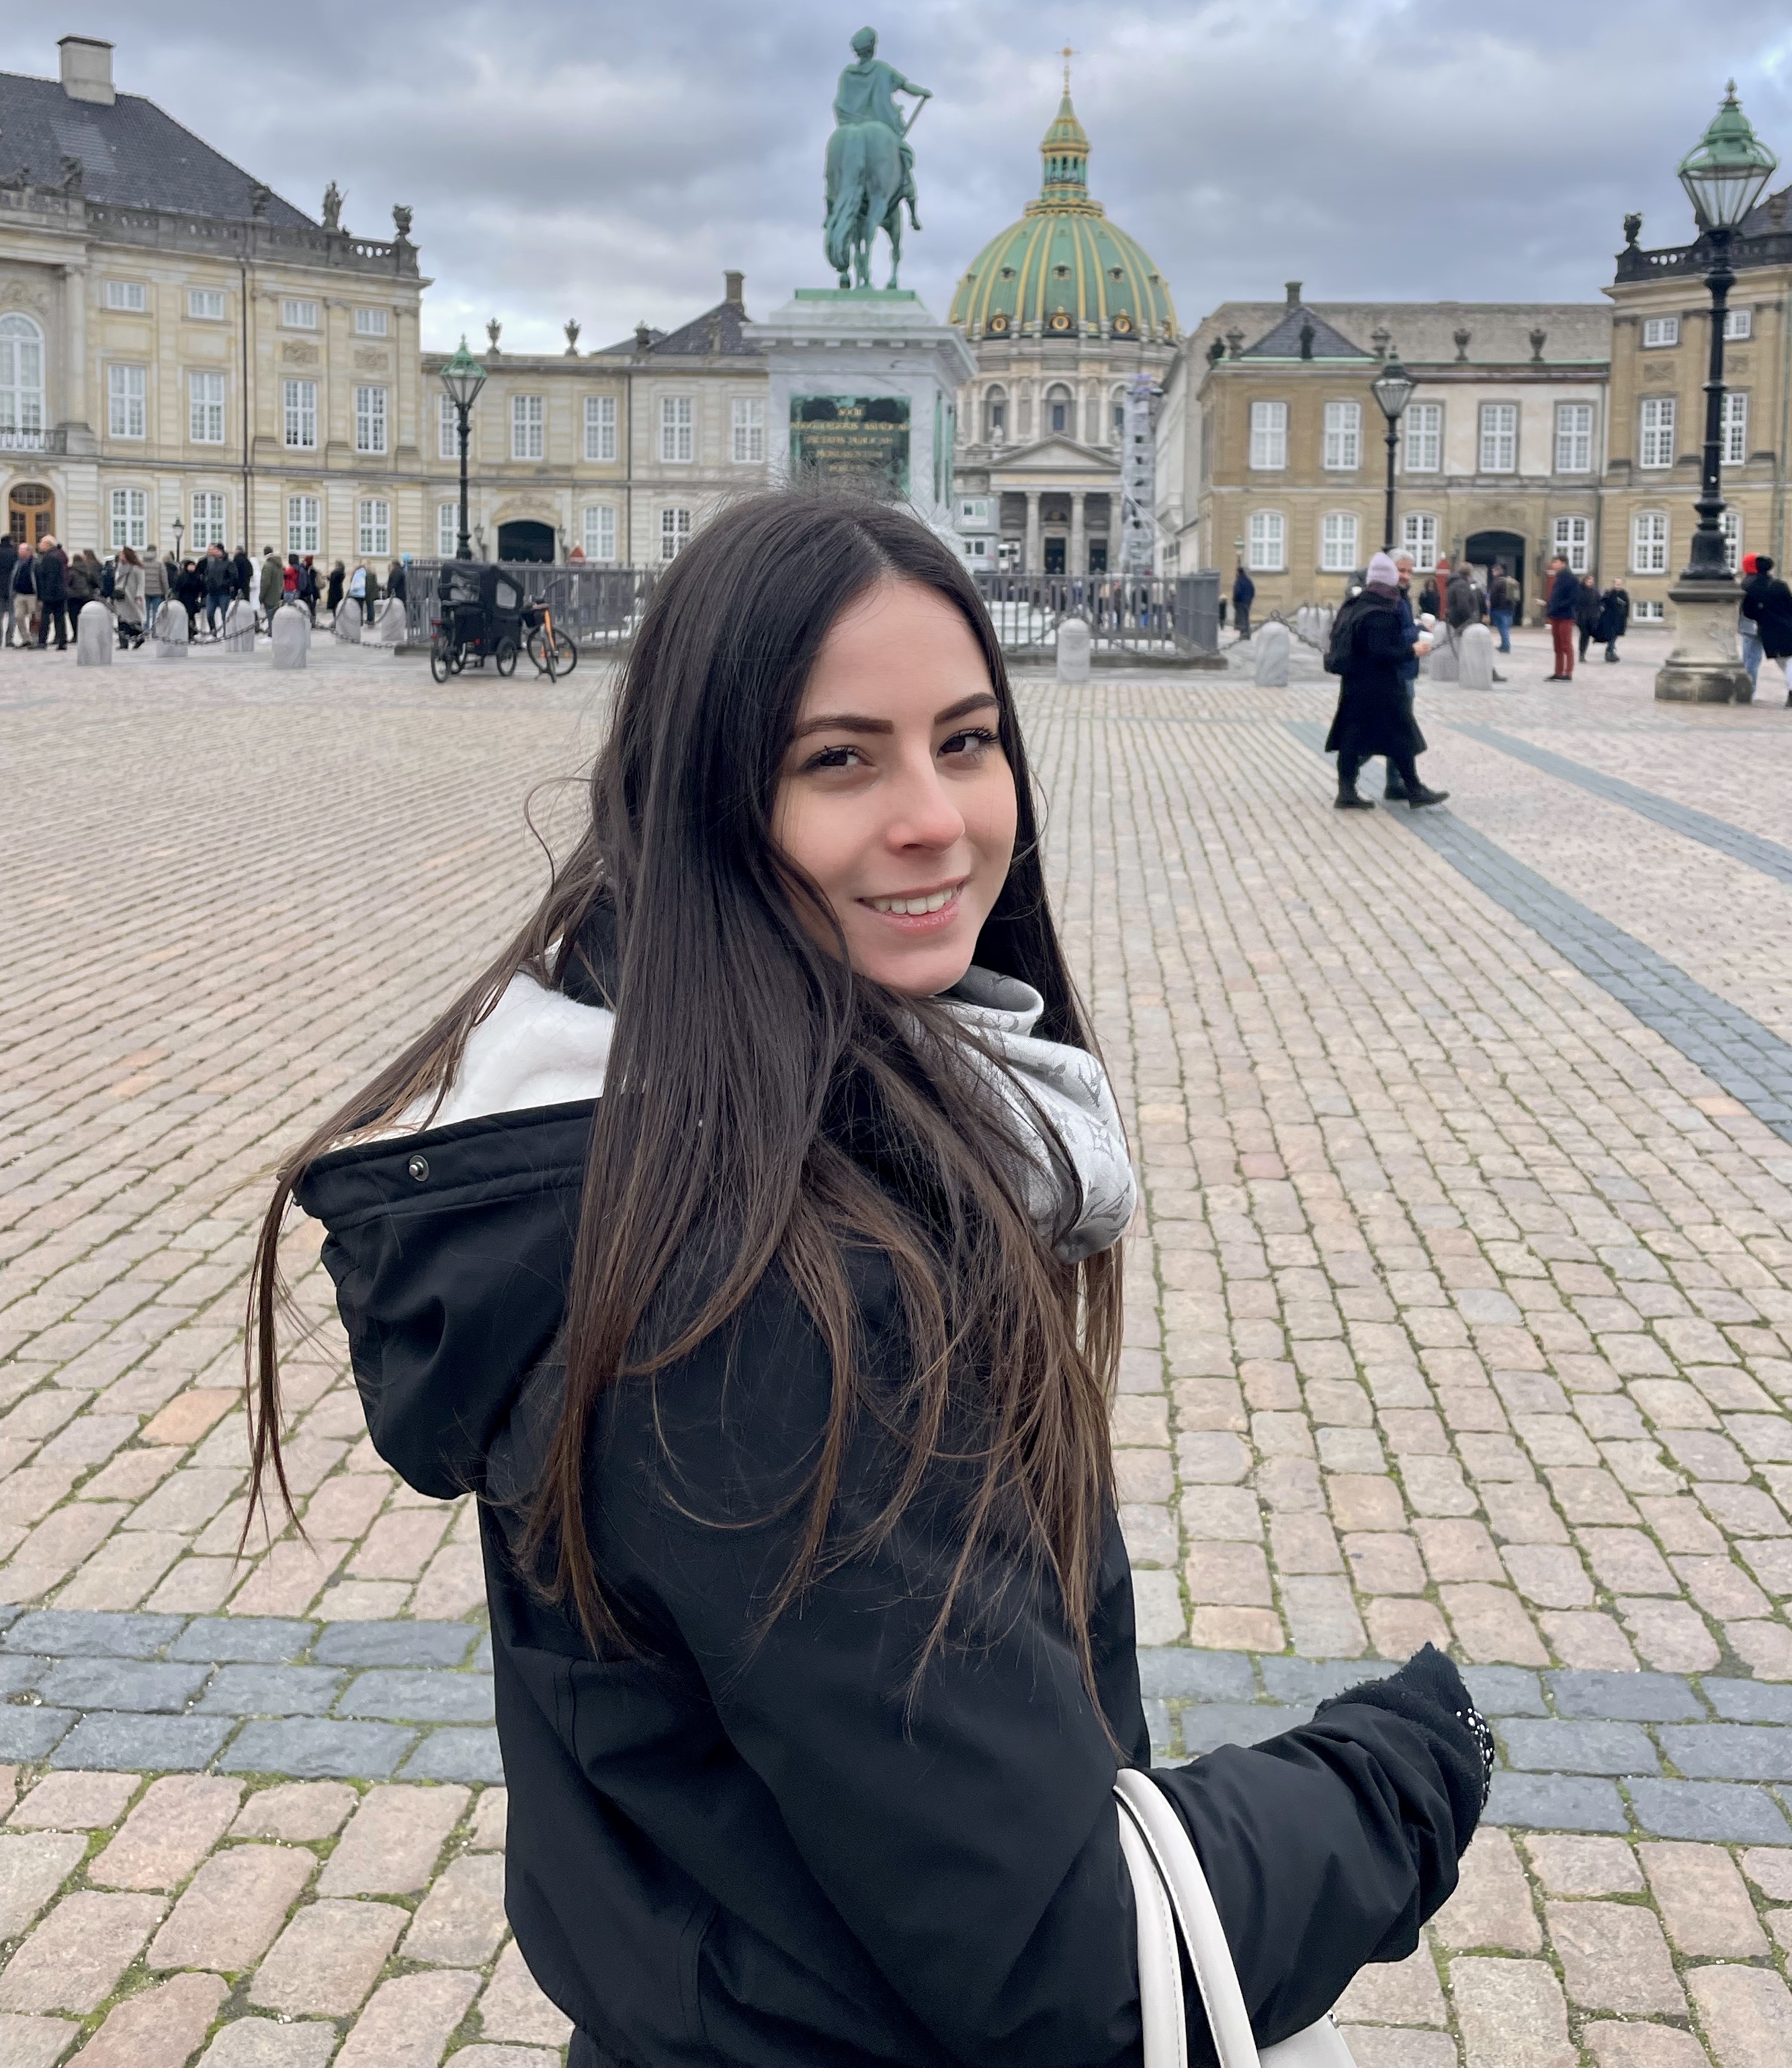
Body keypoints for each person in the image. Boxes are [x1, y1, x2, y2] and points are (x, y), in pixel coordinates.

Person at [247, 490, 1489, 2068]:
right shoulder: (766, 1295)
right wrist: (1404, 1773)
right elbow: (1071, 1965)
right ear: (708, 797)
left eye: (967, 742)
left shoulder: (688, 1135)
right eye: (841, 760)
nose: (937, 820)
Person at [1325, 552, 1449, 810]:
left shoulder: (1356, 604)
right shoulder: (1381, 610)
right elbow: (1381, 651)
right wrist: (1412, 650)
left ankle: (1348, 792)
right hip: (1381, 685)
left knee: (1353, 738)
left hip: (1354, 684)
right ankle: (1413, 790)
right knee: (1401, 736)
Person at [1740, 558, 1792, 709]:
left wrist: (1762, 616)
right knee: (1790, 663)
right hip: (1788, 627)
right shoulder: (1780, 585)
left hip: (1768, 630)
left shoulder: (1752, 587)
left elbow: (1748, 611)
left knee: (1784, 663)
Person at [1545, 553, 1580, 679]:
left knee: (1566, 644)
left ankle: (1568, 672)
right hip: (1555, 615)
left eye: (1556, 562)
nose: (1553, 564)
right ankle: (1558, 672)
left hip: (1566, 615)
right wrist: (1550, 607)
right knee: (1557, 645)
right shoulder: (1557, 577)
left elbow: (1574, 599)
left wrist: (1558, 606)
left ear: (1563, 563)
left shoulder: (1571, 578)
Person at [32, 537, 67, 650]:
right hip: (58, 593)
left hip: (52, 594)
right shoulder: (55, 556)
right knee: (59, 618)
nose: (39, 544)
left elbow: (50, 577)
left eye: (41, 542)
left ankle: (42, 641)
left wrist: (45, 595)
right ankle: (62, 641)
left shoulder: (49, 557)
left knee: (46, 618)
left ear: (48, 545)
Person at [113, 546, 145, 649]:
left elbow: (141, 583)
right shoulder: (119, 567)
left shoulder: (137, 568)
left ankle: (139, 637)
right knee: (121, 619)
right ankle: (123, 643)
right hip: (121, 596)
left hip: (131, 596)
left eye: (122, 554)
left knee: (133, 619)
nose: (120, 556)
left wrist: (139, 596)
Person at [11, 540, 38, 648]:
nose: (20, 552)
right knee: (18, 616)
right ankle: (25, 639)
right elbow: (14, 577)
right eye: (20, 550)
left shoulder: (35, 563)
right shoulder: (18, 563)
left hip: (32, 594)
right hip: (19, 594)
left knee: (34, 617)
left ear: (29, 551)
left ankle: (35, 639)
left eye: (22, 550)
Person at [1595, 580, 1629, 664]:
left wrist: (1626, 616)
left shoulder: (1624, 594)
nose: (1618, 586)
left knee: (1615, 635)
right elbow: (1602, 603)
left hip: (1620, 619)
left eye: (1620, 584)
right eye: (1617, 584)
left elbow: (1627, 606)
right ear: (1614, 585)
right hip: (1609, 619)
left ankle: (1610, 651)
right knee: (1611, 635)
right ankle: (1610, 652)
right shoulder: (1609, 594)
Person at [1488, 564, 1517, 653]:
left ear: (1497, 572)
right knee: (1505, 627)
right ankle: (1504, 645)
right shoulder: (1508, 581)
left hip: (1499, 609)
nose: (1492, 573)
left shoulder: (1497, 582)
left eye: (1493, 571)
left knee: (1503, 628)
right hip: (1510, 608)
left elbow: (1493, 596)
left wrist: (1490, 606)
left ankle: (1506, 646)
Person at [142, 544, 166, 634]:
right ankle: (155, 631)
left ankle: (146, 629)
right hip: (157, 591)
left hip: (145, 591)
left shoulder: (141, 564)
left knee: (146, 612)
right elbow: (164, 579)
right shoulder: (159, 564)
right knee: (156, 612)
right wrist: (166, 591)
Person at [259, 548, 284, 628]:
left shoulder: (268, 565)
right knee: (276, 618)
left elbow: (265, 583)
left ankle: (271, 633)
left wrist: (261, 597)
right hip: (278, 595)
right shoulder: (279, 565)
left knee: (271, 618)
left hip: (269, 597)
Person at [1231, 560, 1254, 641]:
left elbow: (1237, 591)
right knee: (1246, 618)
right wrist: (1250, 600)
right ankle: (1247, 634)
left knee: (1242, 618)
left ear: (1238, 572)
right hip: (1247, 602)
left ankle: (1244, 634)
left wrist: (1235, 600)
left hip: (1240, 602)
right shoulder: (1248, 580)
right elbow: (1253, 590)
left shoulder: (1239, 580)